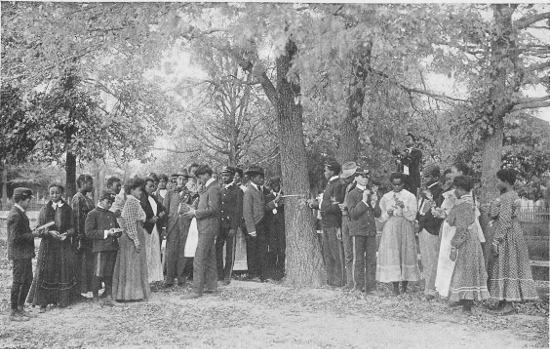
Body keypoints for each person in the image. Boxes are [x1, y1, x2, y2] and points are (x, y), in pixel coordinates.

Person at [487, 169, 539, 314]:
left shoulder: (506, 197)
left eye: (498, 181)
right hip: (514, 233)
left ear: (506, 181)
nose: (496, 184)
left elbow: (504, 221)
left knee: (508, 266)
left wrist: (496, 241)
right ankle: (504, 300)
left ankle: (509, 304)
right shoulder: (511, 195)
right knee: (508, 266)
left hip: (508, 235)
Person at [27, 184, 79, 312]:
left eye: (57, 193)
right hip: (48, 247)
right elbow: (38, 229)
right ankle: (43, 302)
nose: (54, 195)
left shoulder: (67, 209)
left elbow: (73, 228)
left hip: (63, 246)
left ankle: (61, 300)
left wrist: (66, 234)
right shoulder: (44, 209)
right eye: (52, 193)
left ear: (61, 194)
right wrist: (49, 233)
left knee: (62, 271)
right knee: (46, 272)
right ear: (49, 194)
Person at [446, 176, 490, 313]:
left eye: (456, 189)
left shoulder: (463, 206)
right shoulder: (467, 204)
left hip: (466, 241)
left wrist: (454, 245)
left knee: (466, 269)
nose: (454, 191)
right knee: (467, 269)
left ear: (460, 189)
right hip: (472, 240)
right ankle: (465, 299)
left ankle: (467, 303)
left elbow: (460, 227)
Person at [181, 165, 221, 299]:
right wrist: (200, 194)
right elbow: (206, 205)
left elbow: (213, 209)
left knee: (199, 258)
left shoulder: (214, 188)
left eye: (199, 177)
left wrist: (195, 213)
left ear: (206, 174)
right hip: (206, 227)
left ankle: (196, 291)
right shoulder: (208, 188)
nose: (199, 180)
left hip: (207, 228)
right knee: (209, 258)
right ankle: (211, 286)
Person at [376, 173, 420, 295]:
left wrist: (404, 207)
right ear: (391, 184)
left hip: (405, 225)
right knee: (393, 254)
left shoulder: (409, 196)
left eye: (399, 184)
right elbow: (380, 217)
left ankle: (405, 287)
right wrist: (387, 213)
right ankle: (395, 287)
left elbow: (412, 216)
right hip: (391, 227)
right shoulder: (386, 197)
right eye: (394, 184)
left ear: (403, 184)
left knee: (405, 253)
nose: (396, 187)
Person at [307, 160, 346, 287]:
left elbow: (337, 206)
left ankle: (340, 281)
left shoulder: (338, 184)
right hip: (326, 223)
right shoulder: (330, 184)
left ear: (332, 171)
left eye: (326, 170)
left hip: (334, 223)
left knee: (336, 253)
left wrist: (318, 205)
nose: (324, 172)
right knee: (328, 253)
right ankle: (331, 281)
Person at [112, 177, 150, 301]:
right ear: (132, 190)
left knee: (132, 264)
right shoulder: (132, 202)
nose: (141, 193)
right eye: (139, 190)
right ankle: (131, 294)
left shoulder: (132, 201)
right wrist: (136, 241)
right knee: (132, 264)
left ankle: (130, 293)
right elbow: (129, 223)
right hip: (131, 237)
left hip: (132, 235)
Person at [8, 188, 42, 321]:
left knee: (27, 280)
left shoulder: (20, 212)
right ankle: (13, 311)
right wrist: (33, 234)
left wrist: (33, 231)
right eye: (28, 200)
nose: (29, 203)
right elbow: (15, 238)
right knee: (18, 281)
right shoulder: (15, 215)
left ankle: (20, 308)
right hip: (19, 255)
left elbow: (21, 233)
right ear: (21, 200)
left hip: (25, 254)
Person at [346, 168, 380, 293]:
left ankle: (371, 287)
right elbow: (353, 214)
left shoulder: (372, 192)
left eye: (367, 175)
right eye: (362, 175)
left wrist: (375, 203)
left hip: (370, 231)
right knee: (358, 260)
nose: (365, 178)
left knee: (372, 260)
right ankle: (358, 287)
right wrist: (364, 201)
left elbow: (377, 213)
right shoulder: (352, 194)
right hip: (358, 231)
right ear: (355, 178)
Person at [243, 165, 279, 282]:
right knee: (252, 251)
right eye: (259, 177)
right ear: (252, 178)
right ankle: (253, 275)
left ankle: (264, 274)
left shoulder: (260, 190)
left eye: (262, 177)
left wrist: (274, 203)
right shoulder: (249, 191)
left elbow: (263, 208)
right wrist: (251, 229)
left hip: (262, 224)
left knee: (262, 251)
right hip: (254, 225)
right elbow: (247, 212)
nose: (262, 180)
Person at [85, 190, 120, 306]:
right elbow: (89, 232)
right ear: (100, 200)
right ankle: (95, 298)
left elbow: (117, 228)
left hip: (112, 248)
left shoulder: (111, 214)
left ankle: (109, 296)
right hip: (100, 249)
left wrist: (117, 232)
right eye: (108, 201)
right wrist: (106, 233)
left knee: (109, 273)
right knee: (98, 273)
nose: (110, 204)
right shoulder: (92, 214)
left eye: (111, 202)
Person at [417, 166, 444, 299]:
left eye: (427, 176)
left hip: (431, 229)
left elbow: (435, 212)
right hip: (422, 228)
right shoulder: (425, 190)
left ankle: (431, 290)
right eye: (424, 176)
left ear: (436, 177)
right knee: (426, 260)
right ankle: (428, 287)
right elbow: (421, 208)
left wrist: (421, 223)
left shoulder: (439, 191)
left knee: (432, 260)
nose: (424, 178)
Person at [163, 172, 193, 287]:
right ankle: (169, 279)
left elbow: (192, 209)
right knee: (171, 252)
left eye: (184, 180)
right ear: (176, 180)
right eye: (180, 179)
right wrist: (164, 227)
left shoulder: (189, 194)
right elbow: (165, 211)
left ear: (186, 181)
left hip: (184, 225)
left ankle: (181, 278)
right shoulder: (170, 194)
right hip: (172, 226)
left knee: (182, 252)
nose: (182, 181)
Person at [216, 166, 243, 285]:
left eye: (226, 175)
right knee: (218, 249)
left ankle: (227, 275)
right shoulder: (221, 190)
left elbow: (238, 211)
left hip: (230, 226)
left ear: (232, 176)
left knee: (229, 251)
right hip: (220, 225)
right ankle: (219, 275)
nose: (224, 177)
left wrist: (233, 227)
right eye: (222, 175)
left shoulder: (238, 191)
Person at [71, 174, 97, 298]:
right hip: (81, 237)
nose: (91, 186)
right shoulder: (78, 198)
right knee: (80, 263)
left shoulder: (87, 198)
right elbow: (77, 220)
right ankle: (77, 292)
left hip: (89, 237)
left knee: (88, 263)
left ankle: (84, 290)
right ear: (83, 183)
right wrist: (80, 237)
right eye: (90, 183)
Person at [141, 177, 166, 283]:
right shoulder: (141, 198)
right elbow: (140, 215)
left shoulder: (153, 198)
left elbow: (163, 209)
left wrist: (160, 215)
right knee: (146, 253)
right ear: (144, 186)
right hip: (145, 229)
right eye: (150, 186)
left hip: (154, 228)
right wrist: (148, 220)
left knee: (154, 251)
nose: (153, 188)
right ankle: (145, 278)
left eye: (153, 186)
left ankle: (154, 278)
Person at [338, 161, 358, 289]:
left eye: (348, 177)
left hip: (354, 220)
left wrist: (347, 207)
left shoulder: (359, 186)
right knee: (348, 252)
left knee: (356, 252)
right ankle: (350, 282)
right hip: (344, 219)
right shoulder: (347, 187)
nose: (346, 180)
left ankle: (357, 282)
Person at [265, 176, 286, 280]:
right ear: (271, 186)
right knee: (273, 249)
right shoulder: (268, 197)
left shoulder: (283, 196)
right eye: (274, 185)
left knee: (282, 248)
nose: (276, 187)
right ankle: (272, 271)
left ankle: (280, 270)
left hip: (281, 227)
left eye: (278, 184)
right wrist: (275, 202)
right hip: (271, 228)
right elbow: (266, 209)